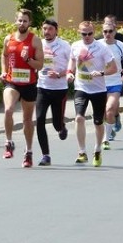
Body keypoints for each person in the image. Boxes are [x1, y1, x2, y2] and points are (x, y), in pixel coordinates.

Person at [67, 21, 117, 167]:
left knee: (98, 122)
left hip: (98, 90)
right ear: (79, 32)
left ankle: (97, 149)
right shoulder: (75, 46)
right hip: (81, 88)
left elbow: (114, 68)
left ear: (94, 32)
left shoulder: (102, 48)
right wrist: (70, 73)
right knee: (79, 118)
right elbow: (72, 62)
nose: (87, 36)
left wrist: (101, 73)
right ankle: (82, 151)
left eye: (90, 33)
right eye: (84, 34)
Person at [0, 8, 44, 167]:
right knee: (8, 109)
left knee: (27, 120)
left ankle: (29, 151)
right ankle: (9, 142)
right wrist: (3, 72)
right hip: (12, 81)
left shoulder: (34, 40)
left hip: (29, 83)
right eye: (20, 20)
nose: (22, 23)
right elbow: (4, 55)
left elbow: (40, 64)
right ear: (16, 21)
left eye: (25, 21)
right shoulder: (8, 39)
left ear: (29, 23)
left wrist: (29, 60)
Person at [34, 18, 71, 166]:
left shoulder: (64, 46)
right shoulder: (39, 44)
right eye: (44, 29)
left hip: (59, 89)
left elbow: (72, 65)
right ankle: (45, 155)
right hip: (42, 88)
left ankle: (62, 127)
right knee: (40, 120)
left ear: (56, 30)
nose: (46, 32)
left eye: (50, 29)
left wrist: (61, 74)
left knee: (56, 123)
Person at [100, 21, 123, 148]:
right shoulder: (97, 45)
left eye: (110, 31)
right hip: (99, 84)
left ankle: (106, 139)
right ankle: (110, 126)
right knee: (102, 112)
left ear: (115, 32)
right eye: (105, 31)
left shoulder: (121, 46)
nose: (108, 34)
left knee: (109, 109)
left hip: (115, 82)